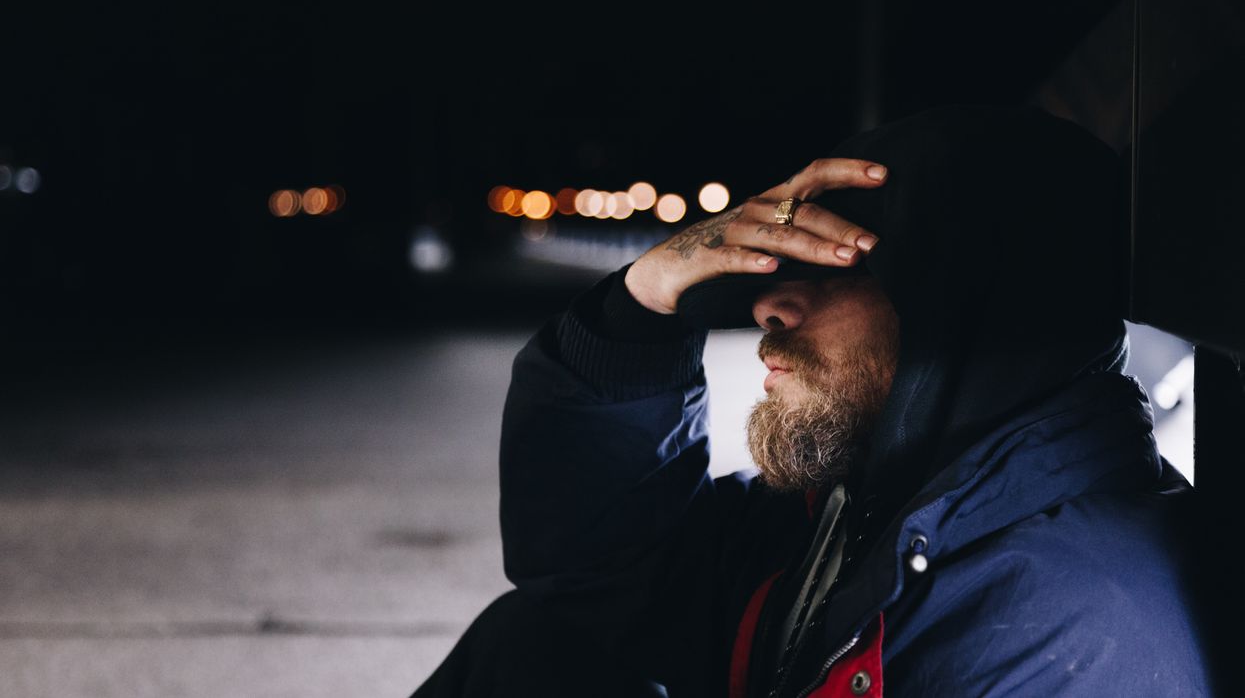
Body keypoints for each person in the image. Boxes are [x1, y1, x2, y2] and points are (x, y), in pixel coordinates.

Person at [413, 105, 1211, 697]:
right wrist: (638, 303)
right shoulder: (864, 508)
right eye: (779, 264)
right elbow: (596, 583)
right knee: (531, 651)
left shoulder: (1067, 625)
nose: (768, 305)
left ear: (966, 304)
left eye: (840, 266)